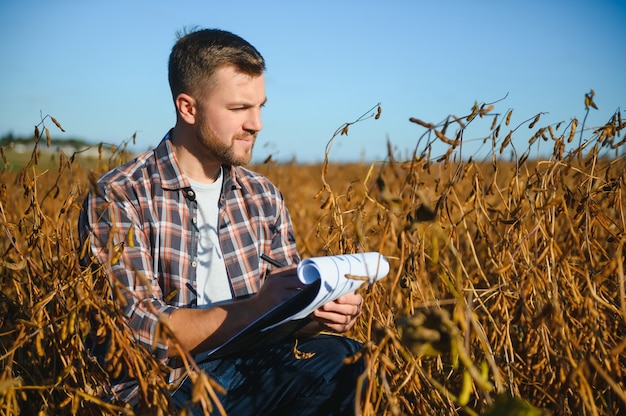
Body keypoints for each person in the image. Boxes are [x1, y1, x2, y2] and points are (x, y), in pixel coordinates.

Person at [78, 28, 365, 415]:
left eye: (261, 106)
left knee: (347, 360)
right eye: (238, 109)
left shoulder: (262, 196)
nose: (256, 123)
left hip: (252, 366)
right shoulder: (118, 196)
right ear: (188, 108)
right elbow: (137, 333)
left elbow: (282, 317)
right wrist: (255, 307)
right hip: (165, 387)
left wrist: (316, 314)